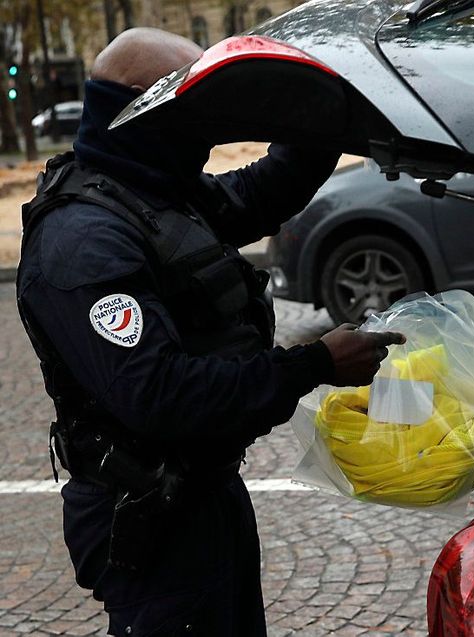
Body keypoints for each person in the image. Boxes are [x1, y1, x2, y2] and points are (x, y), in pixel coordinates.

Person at [16, 28, 402, 635]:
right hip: (148, 518)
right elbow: (160, 394)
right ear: (145, 104)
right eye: (195, 102)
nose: (208, 121)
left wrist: (329, 108)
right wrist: (316, 365)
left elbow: (258, 191)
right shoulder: (85, 241)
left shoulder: (152, 188)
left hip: (201, 496)